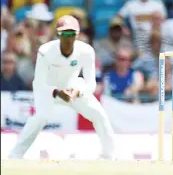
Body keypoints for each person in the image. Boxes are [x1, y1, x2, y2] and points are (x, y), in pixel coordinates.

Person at [8, 15, 116, 160]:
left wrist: (77, 92)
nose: (68, 38)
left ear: (78, 35)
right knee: (40, 118)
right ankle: (15, 156)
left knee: (99, 114)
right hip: (49, 90)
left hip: (73, 88)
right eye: (64, 34)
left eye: (71, 34)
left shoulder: (86, 51)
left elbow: (91, 84)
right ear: (57, 34)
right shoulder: (45, 51)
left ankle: (109, 155)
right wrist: (57, 92)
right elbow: (38, 83)